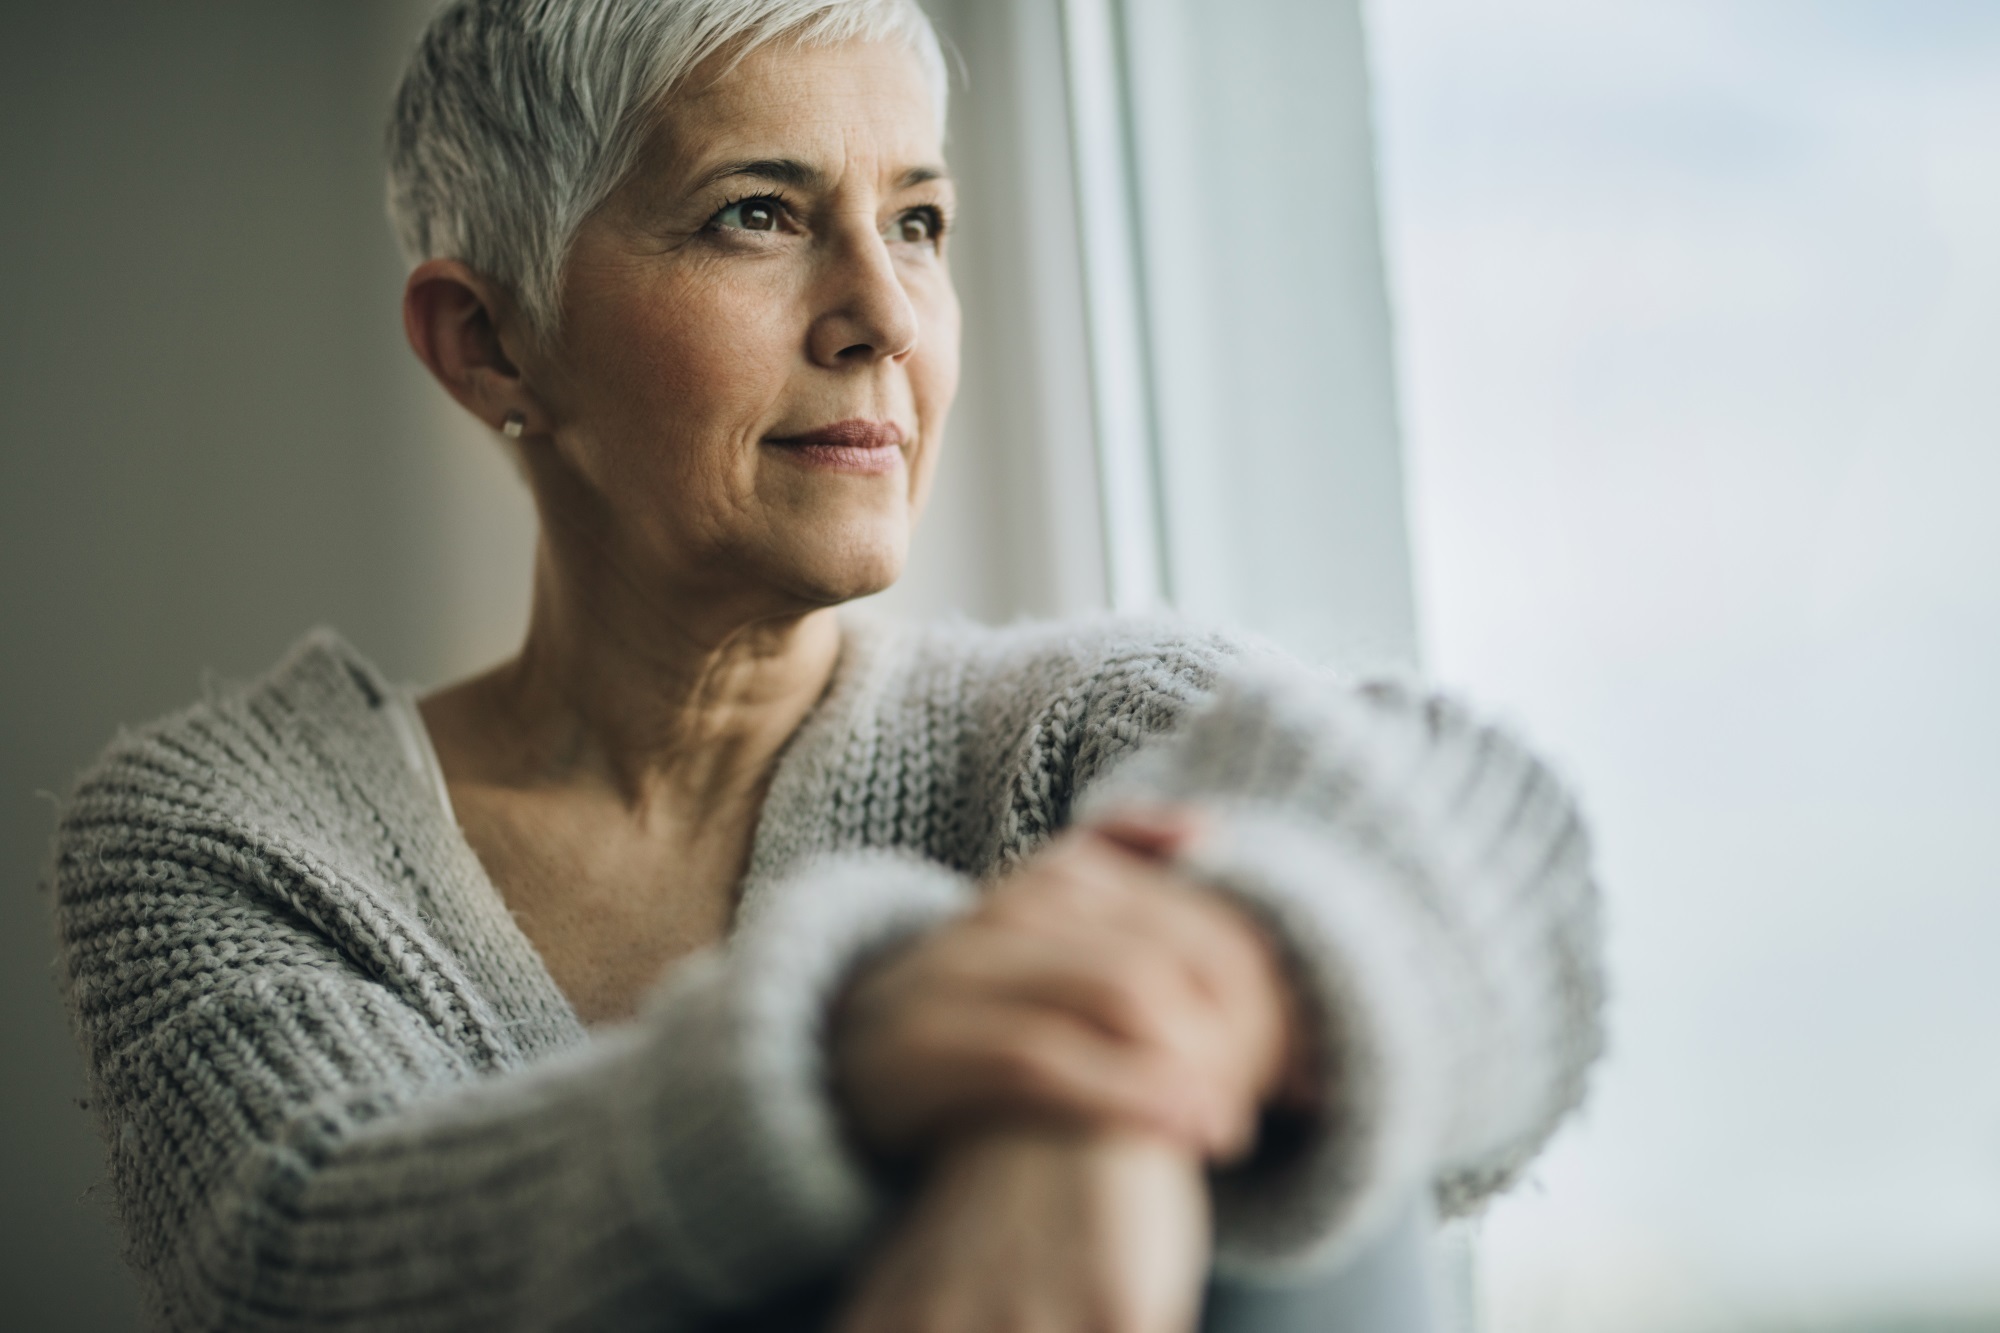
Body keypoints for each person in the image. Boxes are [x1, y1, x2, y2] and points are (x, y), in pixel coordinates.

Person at [49, 1, 1605, 1329]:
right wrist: (858, 1052)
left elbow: (1498, 848)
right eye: (761, 213)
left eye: (918, 220)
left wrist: (1149, 1053)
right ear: (491, 345)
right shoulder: (221, 834)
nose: (882, 315)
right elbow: (306, 1253)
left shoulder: (1078, 734)